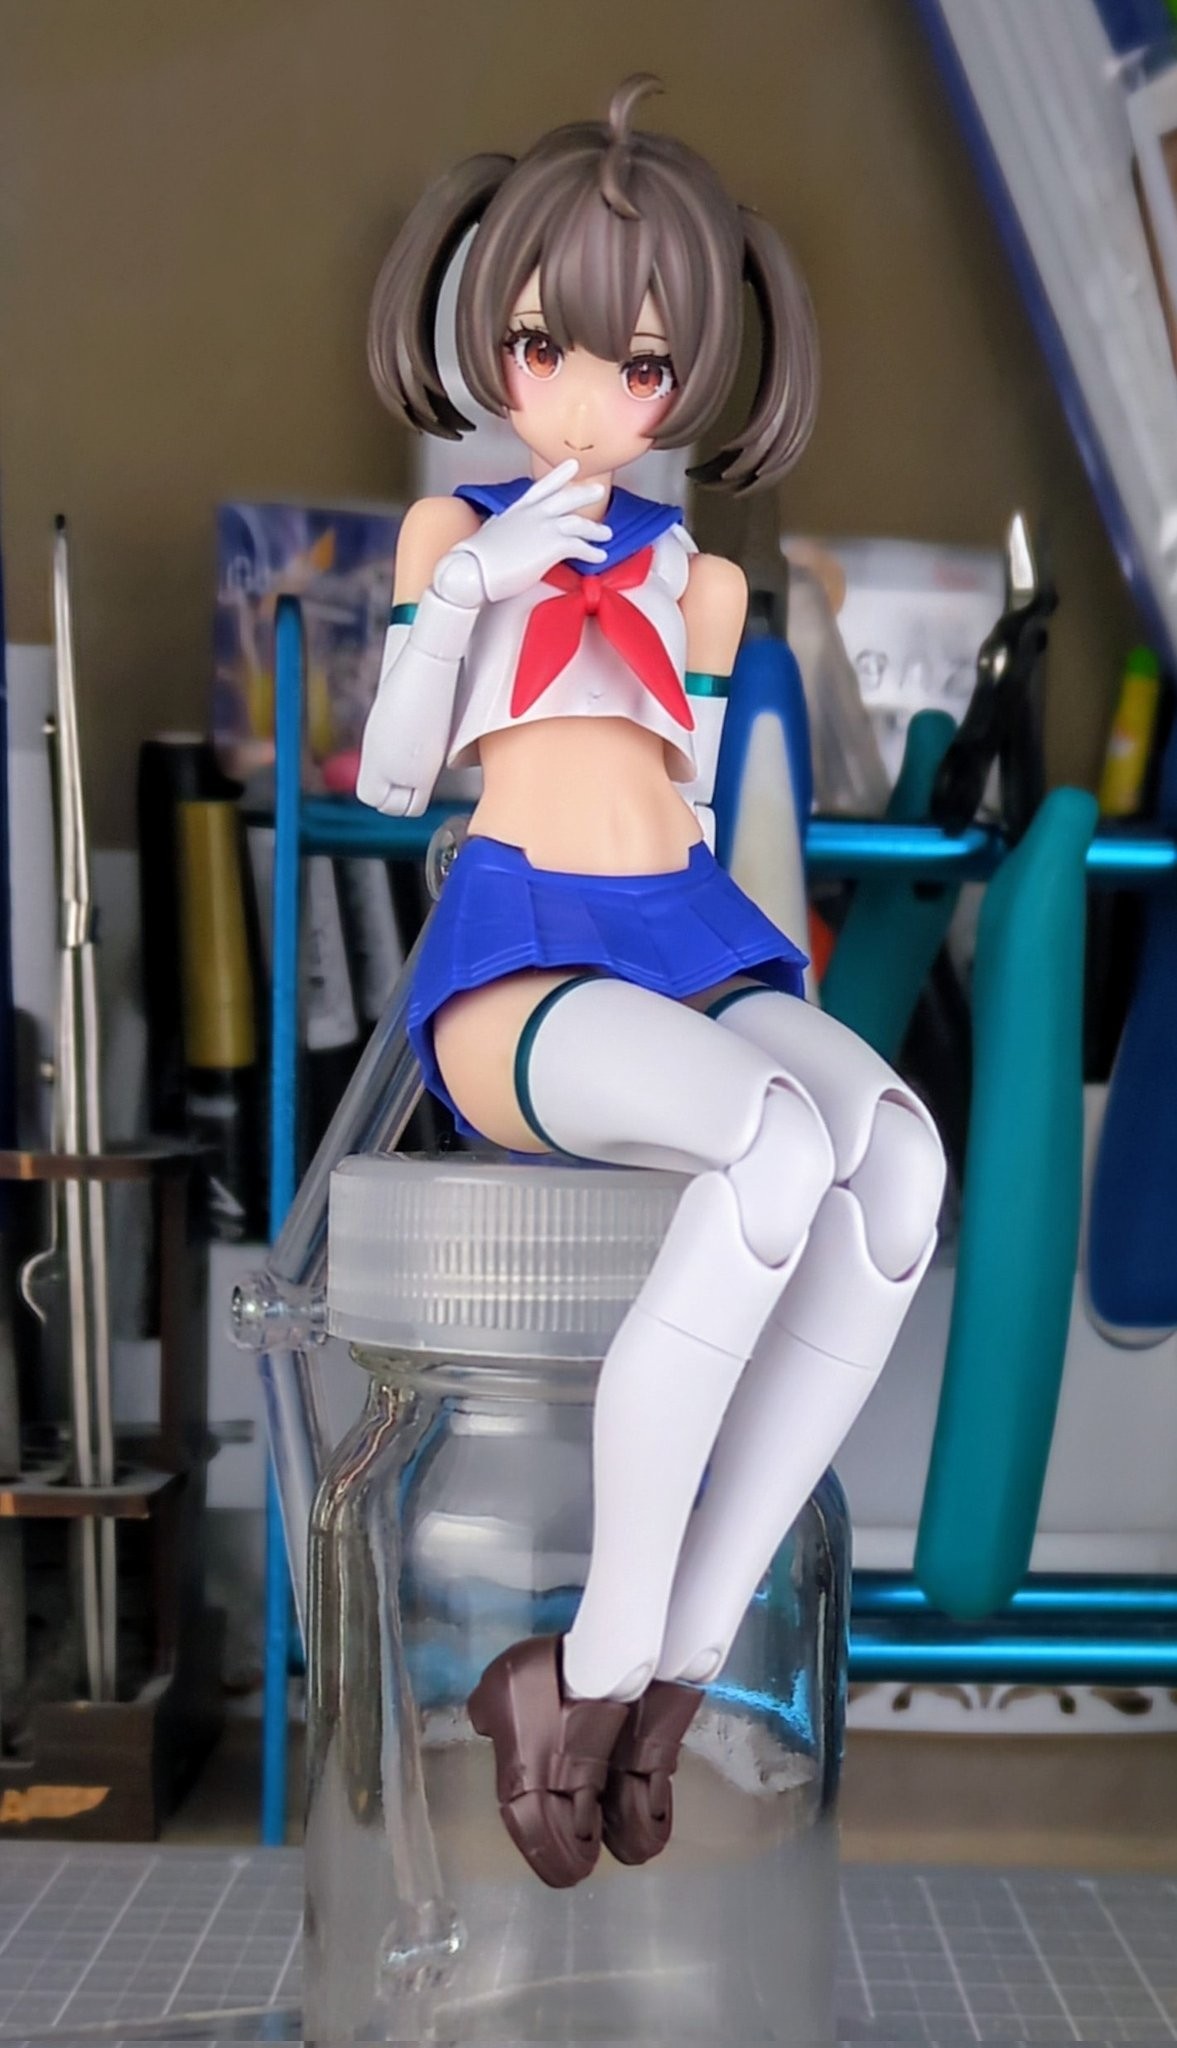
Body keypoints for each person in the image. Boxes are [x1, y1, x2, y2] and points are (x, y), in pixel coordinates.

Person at [358, 75, 946, 1889]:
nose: (584, 398)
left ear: (684, 382)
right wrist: (475, 590)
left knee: (894, 1162)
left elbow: (680, 805)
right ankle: (590, 1662)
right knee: (770, 1144)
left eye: (640, 365)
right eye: (544, 347)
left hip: (679, 933)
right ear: (489, 338)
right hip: (516, 959)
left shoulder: (697, 582)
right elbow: (394, 779)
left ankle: (672, 1669)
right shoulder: (451, 541)